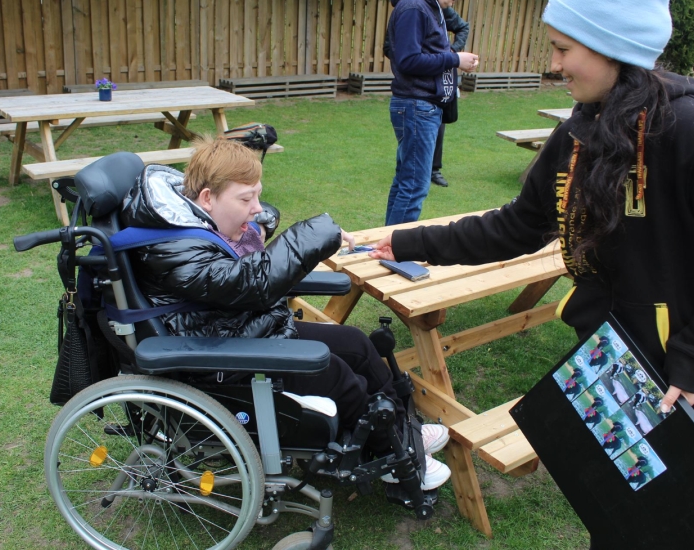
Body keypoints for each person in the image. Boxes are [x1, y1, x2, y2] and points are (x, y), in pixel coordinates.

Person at [372, 0, 694, 471]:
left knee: (672, 519)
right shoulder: (580, 131)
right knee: (610, 507)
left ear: (614, 48)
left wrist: (693, 356)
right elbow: (516, 226)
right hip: (614, 359)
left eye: (563, 48)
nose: (554, 65)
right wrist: (409, 241)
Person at [119, 136, 452, 491]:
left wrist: (259, 220)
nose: (256, 208)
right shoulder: (174, 246)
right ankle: (393, 456)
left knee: (355, 342)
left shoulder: (191, 220)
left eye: (257, 195)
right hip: (217, 357)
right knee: (337, 373)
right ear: (206, 198)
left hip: (239, 329)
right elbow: (248, 281)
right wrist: (316, 235)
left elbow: (240, 268)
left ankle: (402, 431)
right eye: (246, 199)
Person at [384, 0, 478, 225]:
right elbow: (408, 60)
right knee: (414, 187)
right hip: (416, 106)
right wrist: (455, 59)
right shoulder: (414, 6)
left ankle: (383, 245)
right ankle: (394, 252)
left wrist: (453, 57)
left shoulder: (429, 6)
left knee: (406, 182)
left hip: (423, 106)